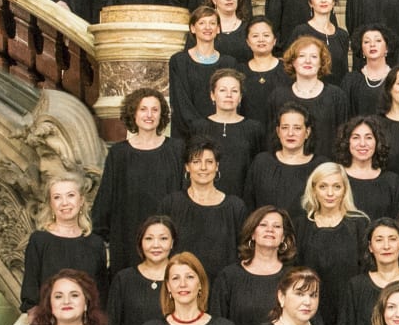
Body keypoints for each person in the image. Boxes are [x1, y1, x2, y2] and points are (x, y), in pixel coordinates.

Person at [90, 90, 181, 266]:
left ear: (161, 114)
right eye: (143, 109)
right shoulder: (119, 153)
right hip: (127, 238)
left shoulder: (176, 149)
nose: (149, 115)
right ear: (133, 113)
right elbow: (106, 198)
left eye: (154, 110)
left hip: (168, 239)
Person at [156, 137, 246, 278]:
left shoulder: (235, 207)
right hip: (181, 287)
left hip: (223, 287)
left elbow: (243, 252)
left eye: (209, 162)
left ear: (217, 166)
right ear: (187, 166)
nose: (203, 167)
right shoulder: (171, 204)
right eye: (196, 162)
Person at [20, 175, 108, 312]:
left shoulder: (95, 243)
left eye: (70, 195)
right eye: (57, 197)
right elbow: (31, 292)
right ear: (50, 204)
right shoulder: (39, 241)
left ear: (81, 201)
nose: (64, 202)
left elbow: (102, 293)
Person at [190, 69, 265, 202]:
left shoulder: (254, 128)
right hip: (204, 200)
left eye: (234, 91)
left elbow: (259, 171)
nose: (229, 95)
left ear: (240, 97)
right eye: (223, 90)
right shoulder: (198, 127)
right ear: (212, 95)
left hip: (243, 201)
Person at [105, 215, 179, 325]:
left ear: (172, 242)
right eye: (149, 238)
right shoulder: (124, 279)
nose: (156, 245)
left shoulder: (181, 279)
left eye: (163, 238)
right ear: (140, 242)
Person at [221, 205, 296, 325]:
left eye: (277, 226)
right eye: (263, 225)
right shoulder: (229, 276)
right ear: (252, 233)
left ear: (283, 237)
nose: (270, 230)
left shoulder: (293, 277)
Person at [293, 162, 370, 289]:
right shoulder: (300, 226)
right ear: (314, 190)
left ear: (345, 190)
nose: (330, 193)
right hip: (309, 301)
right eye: (323, 186)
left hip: (349, 301)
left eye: (337, 187)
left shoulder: (359, 224)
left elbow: (366, 271)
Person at [245, 107, 324, 228]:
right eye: (285, 127)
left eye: (297, 128)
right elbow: (249, 204)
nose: (290, 133)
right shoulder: (261, 162)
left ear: (307, 132)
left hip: (308, 238)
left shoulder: (321, 166)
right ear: (278, 131)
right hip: (268, 239)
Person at [169, 5, 227, 135]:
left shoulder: (229, 63)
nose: (207, 27)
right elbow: (180, 102)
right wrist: (203, 128)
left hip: (220, 132)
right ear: (193, 28)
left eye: (212, 23)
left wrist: (216, 126)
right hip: (186, 133)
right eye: (202, 23)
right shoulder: (179, 61)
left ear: (218, 29)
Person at [336, 116, 399, 222]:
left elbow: (398, 224)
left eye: (368, 137)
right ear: (347, 142)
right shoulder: (336, 178)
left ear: (377, 141)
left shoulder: (392, 182)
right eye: (356, 137)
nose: (362, 144)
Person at [281, 34, 344, 152]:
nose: (308, 61)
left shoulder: (336, 96)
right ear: (293, 62)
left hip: (327, 167)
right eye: (301, 56)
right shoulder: (279, 96)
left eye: (314, 56)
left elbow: (343, 138)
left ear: (321, 62)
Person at [345, 23, 396, 119]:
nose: (372, 45)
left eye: (378, 40)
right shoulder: (351, 81)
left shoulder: (397, 78)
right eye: (366, 42)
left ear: (387, 47)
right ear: (362, 50)